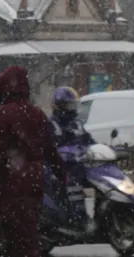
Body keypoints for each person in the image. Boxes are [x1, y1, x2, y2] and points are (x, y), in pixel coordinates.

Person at [0, 66, 66, 257]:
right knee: (29, 226)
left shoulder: (4, 114)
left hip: (12, 179)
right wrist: (61, 173)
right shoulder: (37, 113)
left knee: (14, 232)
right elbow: (50, 149)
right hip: (35, 178)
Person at [49, 86, 95, 231]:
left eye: (73, 105)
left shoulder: (77, 123)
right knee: (72, 184)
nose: (71, 109)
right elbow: (51, 149)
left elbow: (89, 141)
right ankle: (78, 218)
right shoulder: (51, 124)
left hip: (80, 165)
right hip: (58, 169)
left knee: (101, 180)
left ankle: (105, 214)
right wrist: (68, 154)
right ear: (59, 105)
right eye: (68, 105)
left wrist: (102, 149)